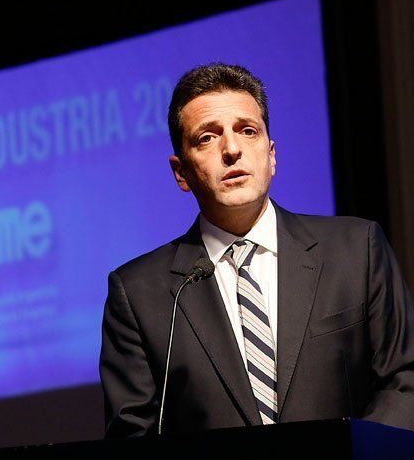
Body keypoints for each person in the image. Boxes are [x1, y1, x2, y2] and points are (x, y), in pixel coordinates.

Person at [99, 63, 414, 437]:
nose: (232, 149)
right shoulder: (138, 293)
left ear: (272, 154)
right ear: (181, 172)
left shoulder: (356, 250)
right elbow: (133, 434)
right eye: (207, 138)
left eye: (247, 131)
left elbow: (403, 380)